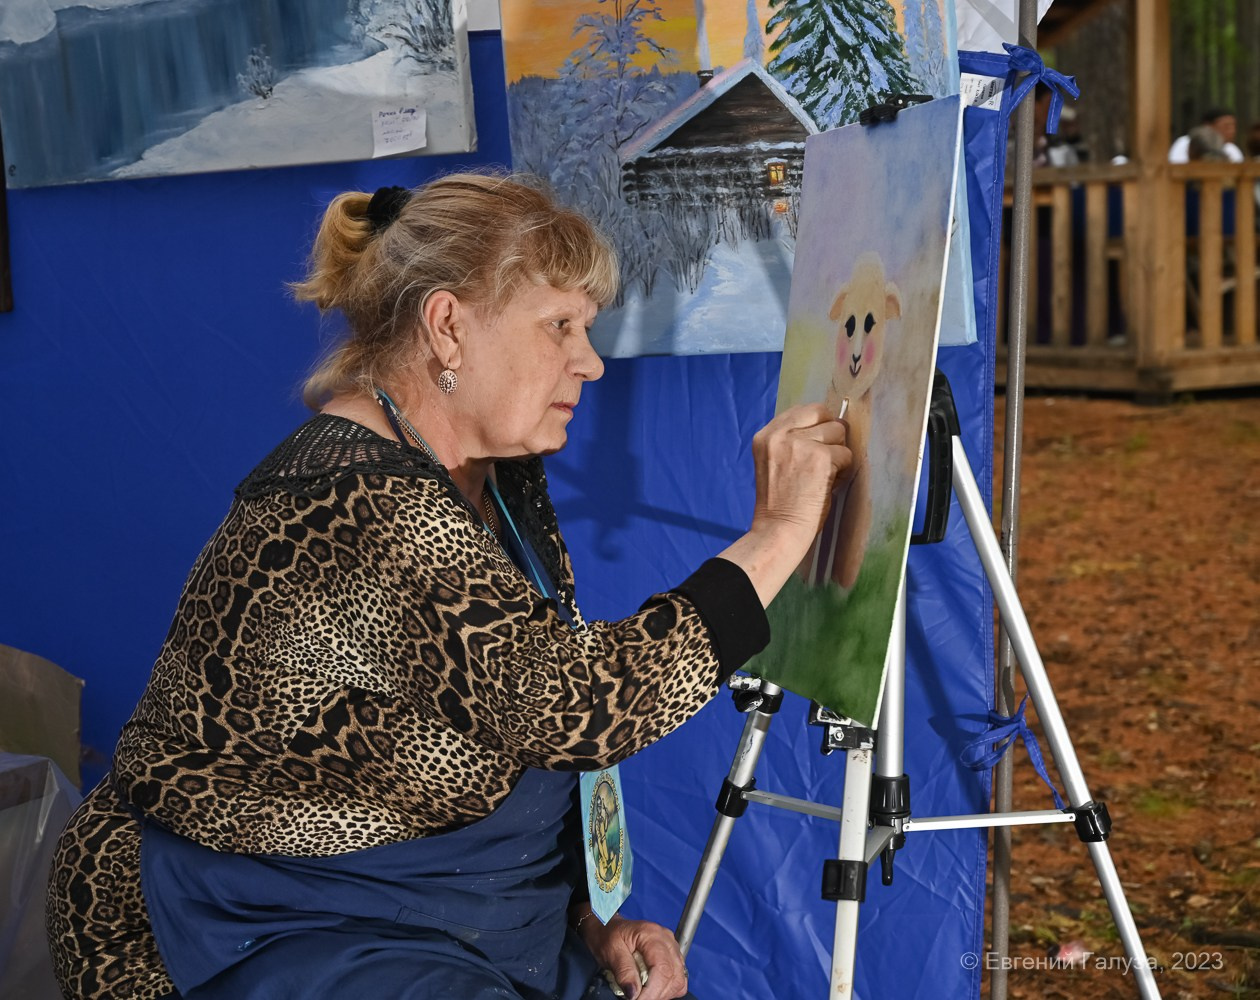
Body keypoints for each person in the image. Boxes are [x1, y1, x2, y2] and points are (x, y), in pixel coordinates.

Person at [45, 172, 852, 1000]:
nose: (589, 361)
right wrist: (779, 531)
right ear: (448, 328)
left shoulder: (493, 475)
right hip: (254, 916)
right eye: (560, 326)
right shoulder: (361, 502)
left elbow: (506, 712)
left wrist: (587, 917)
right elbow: (575, 706)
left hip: (430, 907)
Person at [1168, 108, 1244, 163]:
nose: (1232, 131)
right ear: (1208, 126)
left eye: (1234, 126)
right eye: (1226, 126)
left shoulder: (1232, 148)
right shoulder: (1185, 142)